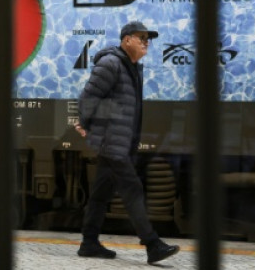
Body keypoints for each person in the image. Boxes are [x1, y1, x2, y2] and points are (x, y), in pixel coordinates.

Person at [74, 21, 180, 264]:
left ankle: (88, 243)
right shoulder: (111, 63)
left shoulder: (131, 67)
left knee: (101, 193)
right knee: (132, 188)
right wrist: (85, 124)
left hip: (120, 140)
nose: (146, 42)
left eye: (148, 39)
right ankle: (152, 244)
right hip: (112, 141)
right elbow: (89, 96)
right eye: (141, 37)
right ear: (126, 40)